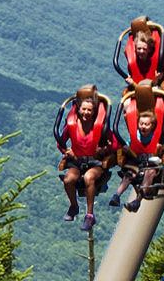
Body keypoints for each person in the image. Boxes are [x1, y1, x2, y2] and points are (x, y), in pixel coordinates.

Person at [58, 88, 116, 230]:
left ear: (94, 111)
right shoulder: (72, 124)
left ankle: (90, 215)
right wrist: (67, 151)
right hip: (77, 161)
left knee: (89, 178)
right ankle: (73, 206)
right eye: (84, 109)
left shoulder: (101, 126)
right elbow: (60, 141)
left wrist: (104, 150)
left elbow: (115, 144)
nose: (86, 113)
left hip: (95, 162)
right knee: (68, 179)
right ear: (79, 109)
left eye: (89, 110)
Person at [108, 109, 164, 212]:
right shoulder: (136, 136)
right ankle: (117, 195)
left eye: (147, 124)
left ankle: (137, 200)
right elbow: (129, 146)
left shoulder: (159, 137)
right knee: (130, 173)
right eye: (141, 124)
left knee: (149, 172)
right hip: (137, 162)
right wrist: (126, 150)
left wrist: (162, 148)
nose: (143, 126)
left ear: (152, 126)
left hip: (153, 165)